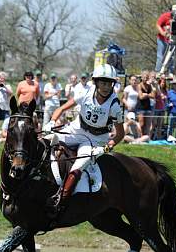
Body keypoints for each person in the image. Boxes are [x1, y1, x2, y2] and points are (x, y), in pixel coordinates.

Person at [42, 64, 124, 216]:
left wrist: (106, 148)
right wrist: (52, 122)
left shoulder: (114, 105)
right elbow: (61, 109)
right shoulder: (85, 93)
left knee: (77, 167)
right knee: (44, 140)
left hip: (95, 139)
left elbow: (120, 134)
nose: (106, 87)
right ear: (96, 82)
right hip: (76, 129)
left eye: (109, 83)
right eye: (103, 83)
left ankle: (61, 201)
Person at [155, 4, 176, 74]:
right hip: (162, 39)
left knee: (172, 56)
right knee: (160, 56)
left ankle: (170, 72)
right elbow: (158, 24)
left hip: (174, 39)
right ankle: (158, 71)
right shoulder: (165, 16)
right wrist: (163, 33)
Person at [137, 71, 155, 137]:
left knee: (148, 125)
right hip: (140, 107)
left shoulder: (149, 86)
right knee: (141, 124)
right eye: (144, 77)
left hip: (148, 107)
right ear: (141, 78)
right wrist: (148, 95)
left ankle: (146, 138)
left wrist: (146, 95)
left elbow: (153, 96)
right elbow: (141, 97)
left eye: (147, 77)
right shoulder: (139, 85)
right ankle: (141, 137)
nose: (145, 79)